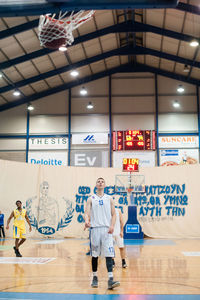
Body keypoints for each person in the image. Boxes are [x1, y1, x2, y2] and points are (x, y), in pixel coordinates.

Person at [84, 177, 120, 290]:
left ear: (105, 185)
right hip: (95, 229)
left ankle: (110, 279)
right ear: (96, 185)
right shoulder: (91, 199)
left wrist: (112, 226)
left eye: (102, 181)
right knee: (95, 255)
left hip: (106, 230)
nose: (100, 183)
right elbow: (86, 213)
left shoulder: (109, 198)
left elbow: (114, 214)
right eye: (98, 181)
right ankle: (95, 277)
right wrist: (86, 221)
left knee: (109, 254)